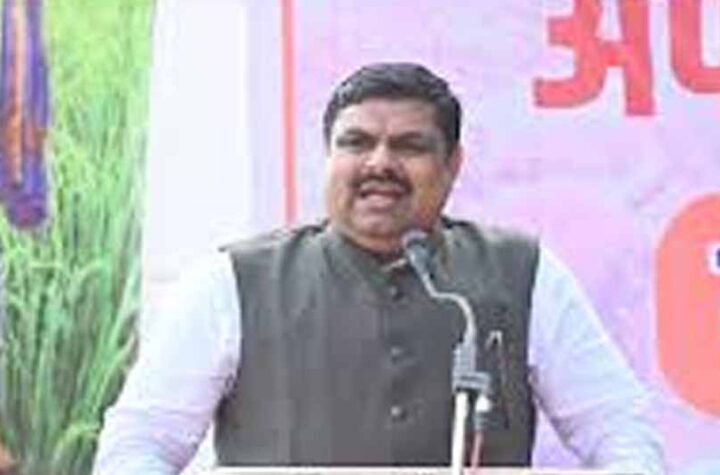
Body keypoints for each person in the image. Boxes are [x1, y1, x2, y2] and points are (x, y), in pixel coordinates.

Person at [93, 62, 665, 474]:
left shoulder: (523, 273)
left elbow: (620, 430)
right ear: (328, 158)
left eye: (410, 146)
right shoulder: (232, 283)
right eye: (356, 142)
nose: (379, 163)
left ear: (452, 165)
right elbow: (140, 442)